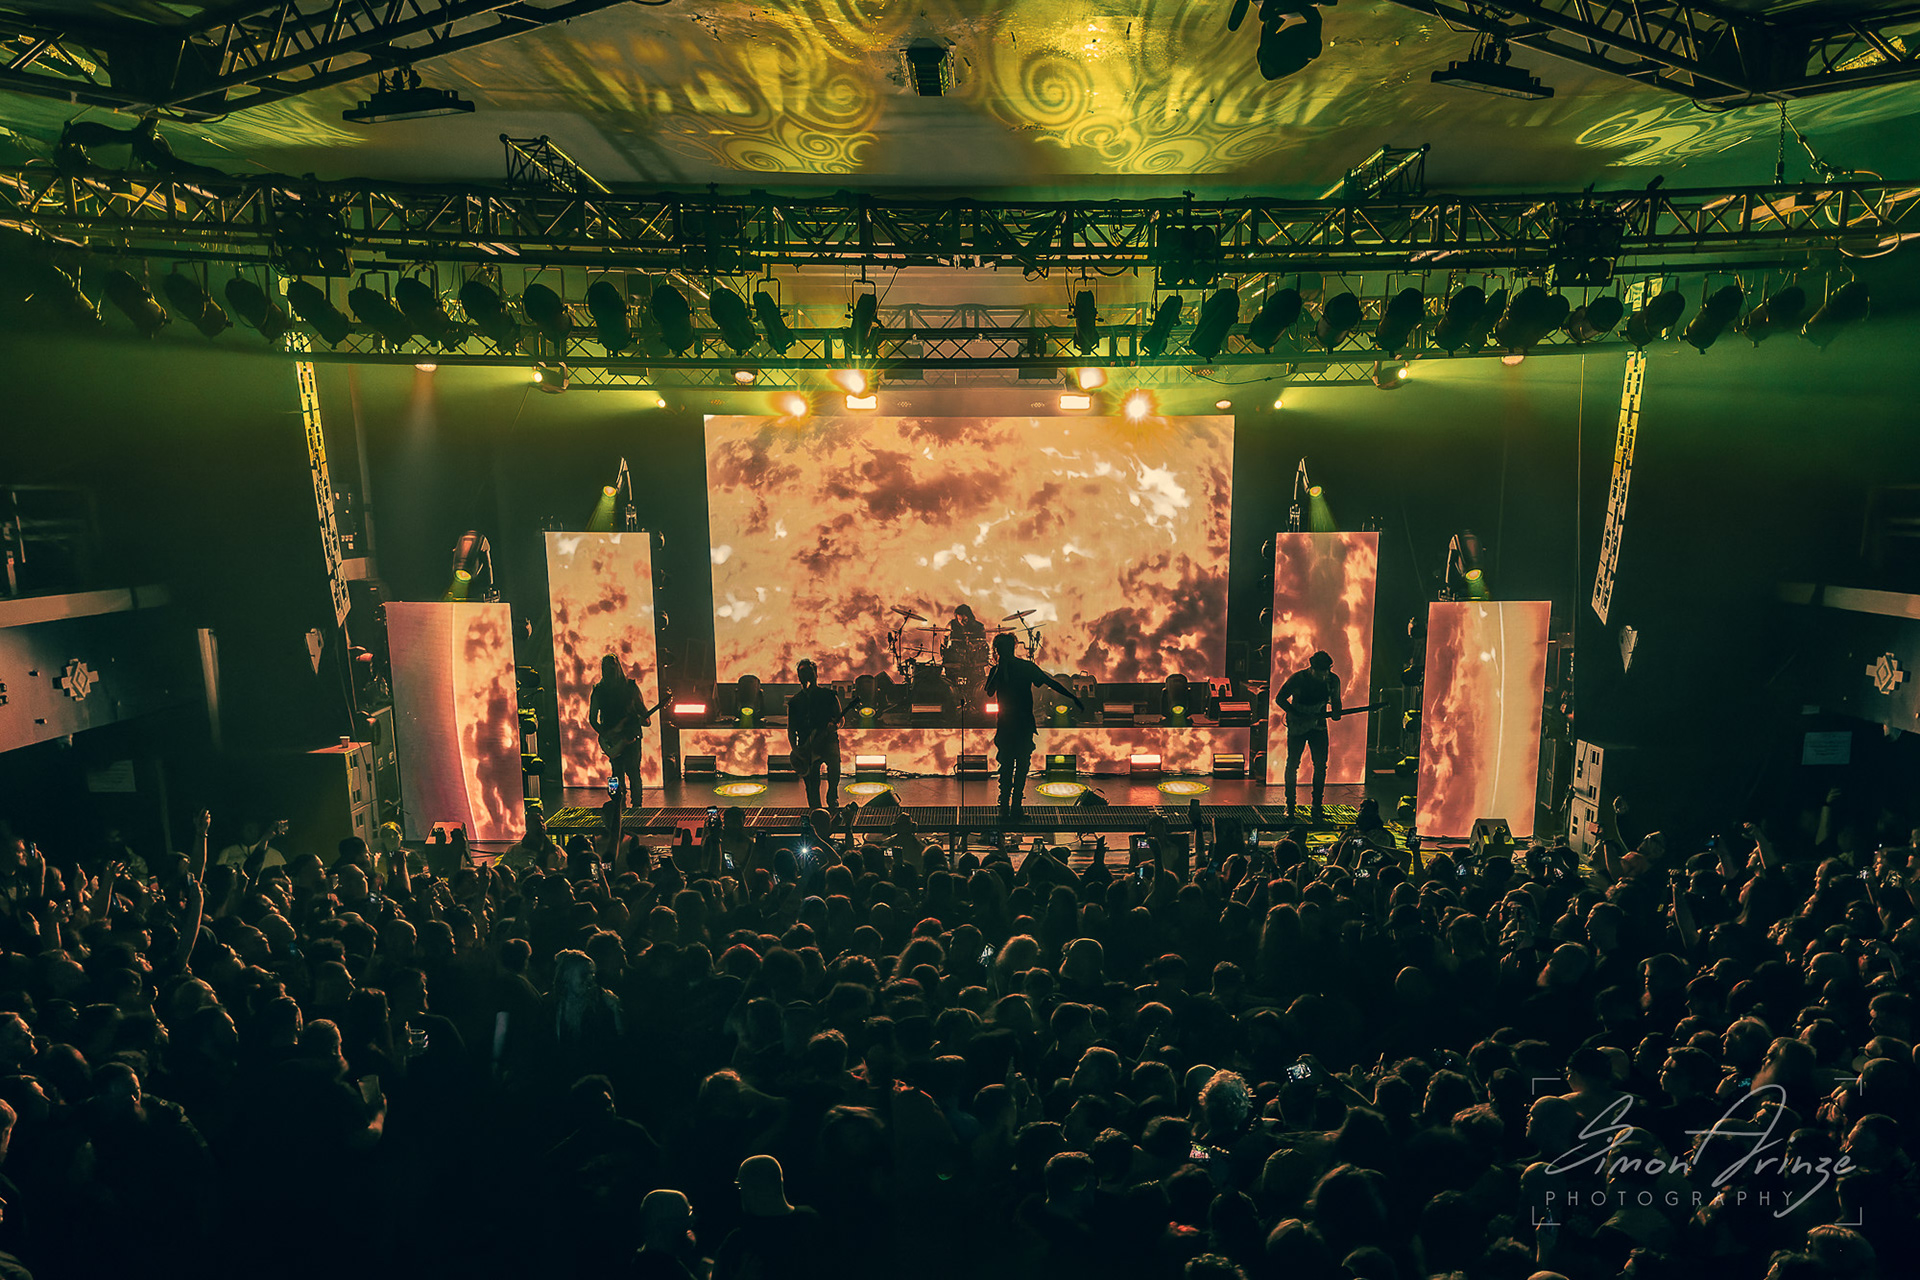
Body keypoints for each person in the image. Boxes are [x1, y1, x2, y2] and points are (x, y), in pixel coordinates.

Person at [985, 631, 1084, 820]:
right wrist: (1072, 697)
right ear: (1014, 647)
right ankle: (1015, 808)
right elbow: (1050, 683)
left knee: (1006, 766)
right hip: (1022, 724)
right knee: (1021, 766)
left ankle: (1005, 808)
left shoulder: (999, 670)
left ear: (996, 650)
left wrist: (998, 669)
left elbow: (989, 692)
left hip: (1007, 725)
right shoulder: (1024, 667)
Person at [588, 654, 665, 807]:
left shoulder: (630, 688)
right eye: (606, 667)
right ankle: (617, 805)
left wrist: (644, 720)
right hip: (613, 738)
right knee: (616, 775)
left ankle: (637, 807)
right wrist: (605, 734)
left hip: (631, 737)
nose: (610, 670)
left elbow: (644, 715)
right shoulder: (599, 691)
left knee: (633, 773)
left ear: (618, 667)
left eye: (612, 666)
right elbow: (592, 718)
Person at [1275, 650, 1342, 820]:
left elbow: (1336, 701)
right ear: (1312, 668)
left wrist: (1336, 712)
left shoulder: (1332, 681)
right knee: (1293, 764)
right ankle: (1290, 805)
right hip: (1297, 726)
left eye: (1326, 670)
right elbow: (1280, 698)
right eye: (1321, 671)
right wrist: (1294, 713)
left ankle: (1317, 806)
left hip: (1318, 726)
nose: (1324, 674)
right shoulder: (1298, 679)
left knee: (1320, 766)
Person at [787, 659, 842, 812]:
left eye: (808, 671)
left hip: (828, 741)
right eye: (802, 672)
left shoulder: (829, 695)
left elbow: (840, 718)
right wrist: (796, 750)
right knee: (812, 784)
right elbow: (791, 729)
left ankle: (832, 799)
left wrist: (835, 726)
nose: (805, 676)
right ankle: (816, 812)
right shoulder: (795, 702)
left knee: (834, 771)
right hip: (806, 745)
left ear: (816, 674)